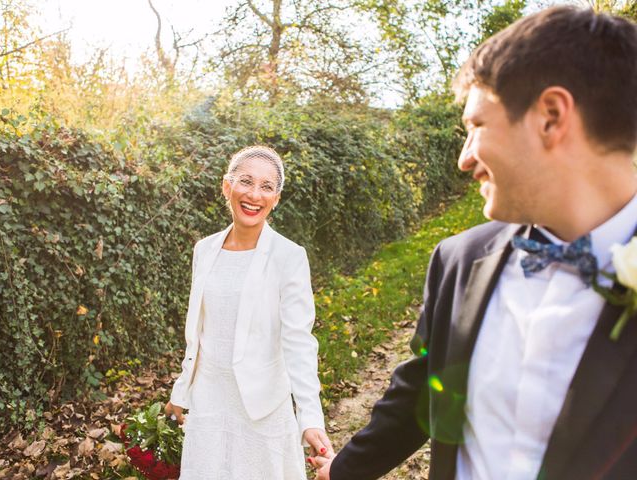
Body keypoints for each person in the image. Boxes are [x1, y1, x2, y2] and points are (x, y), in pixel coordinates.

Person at [311, 6, 637, 480]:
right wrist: (343, 469)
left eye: (476, 126)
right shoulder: (459, 260)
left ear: (550, 116)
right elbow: (422, 390)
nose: (464, 159)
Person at [165, 145, 333, 479]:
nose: (254, 194)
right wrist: (181, 392)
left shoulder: (289, 256)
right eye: (245, 181)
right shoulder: (205, 249)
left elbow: (299, 342)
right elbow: (198, 335)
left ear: (276, 198)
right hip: (208, 405)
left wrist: (310, 417)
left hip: (263, 410)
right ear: (227, 187)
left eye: (266, 187)